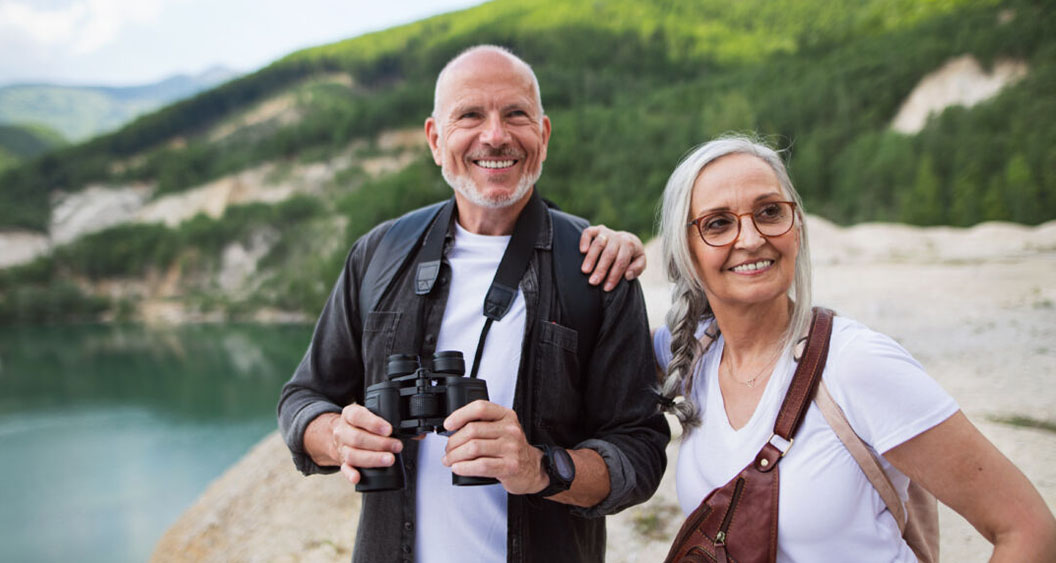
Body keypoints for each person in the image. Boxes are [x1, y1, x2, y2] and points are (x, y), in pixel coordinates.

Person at [277, 45, 669, 563]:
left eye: (516, 115)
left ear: (543, 136)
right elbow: (303, 398)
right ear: (436, 140)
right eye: (470, 115)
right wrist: (337, 437)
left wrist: (539, 468)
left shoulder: (595, 267)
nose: (495, 135)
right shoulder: (379, 254)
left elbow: (639, 450)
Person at [651, 136, 1056, 561]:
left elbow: (1028, 530)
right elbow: (596, 351)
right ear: (685, 249)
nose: (751, 238)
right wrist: (613, 247)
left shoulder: (856, 364)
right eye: (718, 223)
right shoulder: (692, 353)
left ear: (798, 227)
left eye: (770, 212)